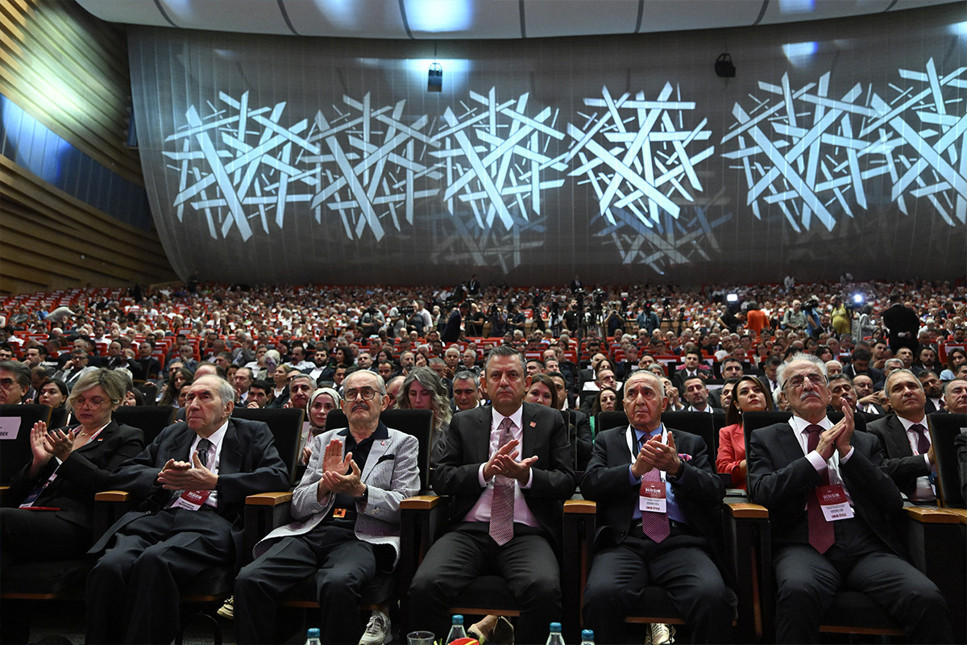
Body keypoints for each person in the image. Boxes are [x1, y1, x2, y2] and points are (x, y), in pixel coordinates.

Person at [747, 354, 951, 643]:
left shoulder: (863, 439)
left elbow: (892, 501)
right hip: (802, 543)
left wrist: (848, 453)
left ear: (829, 392)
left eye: (816, 378)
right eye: (797, 381)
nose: (808, 385)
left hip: (864, 545)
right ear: (784, 398)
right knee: (798, 593)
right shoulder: (765, 437)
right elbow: (764, 492)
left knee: (925, 596)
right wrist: (817, 457)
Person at [84, 375, 289, 645]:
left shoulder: (253, 432)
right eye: (189, 397)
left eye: (205, 397)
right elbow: (124, 471)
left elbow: (277, 476)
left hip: (212, 521)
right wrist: (161, 474)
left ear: (228, 407)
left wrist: (217, 482)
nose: (192, 404)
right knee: (109, 565)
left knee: (155, 561)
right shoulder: (172, 433)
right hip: (161, 516)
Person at [233, 370, 420, 645]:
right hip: (312, 531)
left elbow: (404, 504)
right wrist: (324, 486)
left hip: (362, 537)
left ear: (384, 402)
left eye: (367, 392)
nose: (358, 399)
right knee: (249, 579)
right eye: (351, 394)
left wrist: (361, 491)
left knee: (338, 583)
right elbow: (297, 504)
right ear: (342, 405)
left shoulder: (403, 443)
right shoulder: (324, 441)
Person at [408, 346, 575, 644]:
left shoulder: (550, 421)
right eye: (496, 375)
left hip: (527, 533)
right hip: (468, 531)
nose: (504, 382)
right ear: (484, 384)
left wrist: (527, 476)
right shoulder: (464, 421)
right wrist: (484, 471)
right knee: (424, 585)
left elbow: (566, 481)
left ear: (526, 382)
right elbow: (442, 478)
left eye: (512, 375)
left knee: (544, 588)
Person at [581, 371, 733, 644]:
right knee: (600, 596)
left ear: (664, 404)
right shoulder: (607, 440)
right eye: (631, 394)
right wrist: (632, 471)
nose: (639, 400)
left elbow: (714, 491)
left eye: (648, 393)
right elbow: (590, 483)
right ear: (623, 405)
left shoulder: (689, 442)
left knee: (712, 596)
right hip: (624, 540)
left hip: (680, 541)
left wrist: (678, 469)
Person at [1, 370, 144, 568]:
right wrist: (38, 463)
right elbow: (15, 491)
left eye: (96, 401)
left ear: (115, 402)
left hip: (76, 521)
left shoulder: (126, 436)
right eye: (79, 399)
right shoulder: (60, 434)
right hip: (31, 512)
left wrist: (68, 457)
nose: (85, 406)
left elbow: (108, 482)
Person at [866, 370, 936, 502]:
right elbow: (879, 468)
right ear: (889, 402)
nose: (908, 392)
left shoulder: (944, 425)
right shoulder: (875, 430)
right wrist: (927, 459)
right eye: (898, 389)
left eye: (913, 386)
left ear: (924, 395)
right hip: (909, 510)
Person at [717, 375, 774, 490]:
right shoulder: (727, 432)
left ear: (766, 398)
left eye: (757, 390)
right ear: (737, 404)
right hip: (746, 497)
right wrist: (755, 461)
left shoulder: (784, 426)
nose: (752, 394)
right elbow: (724, 471)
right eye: (744, 392)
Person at [395, 366, 452, 466]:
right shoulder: (396, 427)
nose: (418, 400)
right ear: (406, 397)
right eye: (413, 394)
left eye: (424, 394)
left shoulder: (449, 430)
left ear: (435, 396)